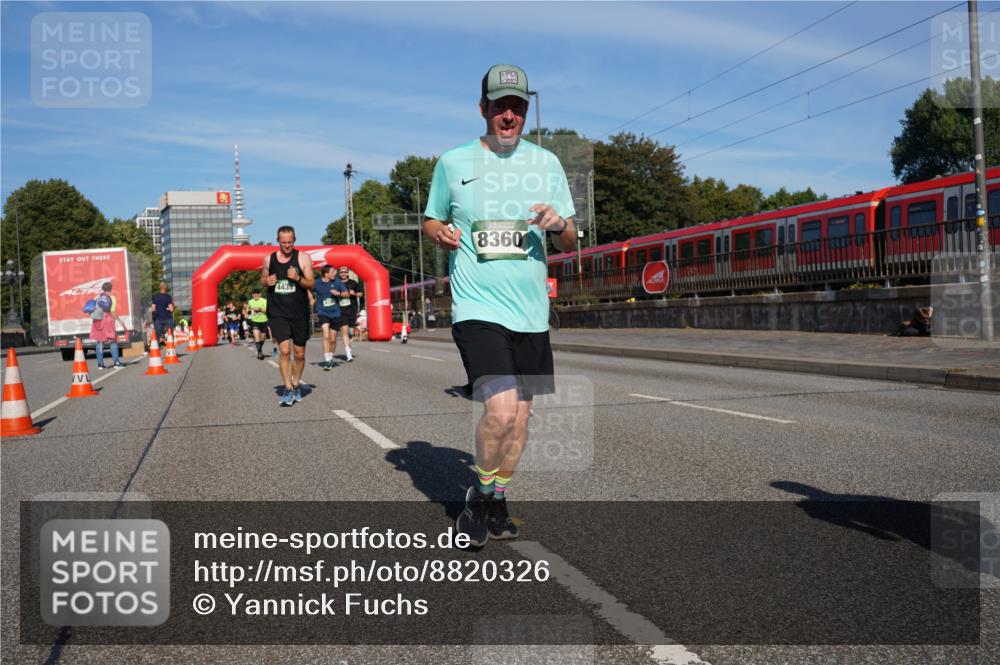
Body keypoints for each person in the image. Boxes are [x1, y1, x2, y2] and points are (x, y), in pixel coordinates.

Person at [423, 64, 577, 547]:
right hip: (478, 308)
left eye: (518, 107)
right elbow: (430, 220)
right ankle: (480, 496)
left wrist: (558, 224)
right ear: (483, 108)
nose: (509, 115)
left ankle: (495, 496)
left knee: (521, 421)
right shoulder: (453, 163)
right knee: (502, 411)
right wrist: (440, 233)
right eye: (500, 106)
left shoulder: (547, 164)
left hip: (530, 313)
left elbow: (572, 239)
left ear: (525, 111)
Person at [263, 225, 315, 406]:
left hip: (299, 312)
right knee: (285, 351)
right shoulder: (269, 259)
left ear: (295, 240)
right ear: (278, 241)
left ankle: (296, 383)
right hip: (277, 311)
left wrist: (298, 278)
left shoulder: (303, 258)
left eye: (290, 242)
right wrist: (267, 280)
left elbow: (311, 283)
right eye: (283, 242)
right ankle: (287, 388)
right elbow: (263, 278)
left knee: (299, 354)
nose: (287, 245)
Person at [90, 281, 129, 370]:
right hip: (108, 321)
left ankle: (100, 365)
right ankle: (116, 363)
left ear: (102, 289)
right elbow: (112, 312)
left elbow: (93, 309)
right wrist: (120, 322)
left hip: (97, 321)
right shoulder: (112, 297)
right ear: (111, 289)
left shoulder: (97, 297)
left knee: (99, 342)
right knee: (112, 341)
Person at [313, 265, 345, 370]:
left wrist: (338, 293)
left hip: (335, 313)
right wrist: (311, 299)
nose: (335, 273)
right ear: (326, 274)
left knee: (333, 340)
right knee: (326, 336)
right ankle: (327, 360)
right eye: (332, 272)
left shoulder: (337, 282)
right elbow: (307, 289)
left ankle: (330, 357)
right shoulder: (317, 283)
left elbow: (346, 294)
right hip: (322, 312)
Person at [336, 267, 362, 362]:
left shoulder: (353, 283)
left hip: (351, 309)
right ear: (339, 274)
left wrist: (354, 293)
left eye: (345, 272)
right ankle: (348, 354)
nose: (343, 273)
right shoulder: (336, 283)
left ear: (347, 273)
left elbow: (361, 294)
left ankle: (348, 343)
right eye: (341, 272)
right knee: (344, 332)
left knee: (350, 332)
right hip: (340, 310)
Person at [245, 288, 269, 359]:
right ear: (252, 295)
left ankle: (259, 349)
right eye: (254, 294)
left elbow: (267, 310)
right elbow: (247, 309)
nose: (256, 295)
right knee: (256, 336)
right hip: (254, 321)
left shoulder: (264, 301)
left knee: (263, 338)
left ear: (260, 294)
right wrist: (246, 313)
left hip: (264, 321)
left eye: (257, 293)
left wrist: (260, 309)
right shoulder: (250, 301)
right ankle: (259, 352)